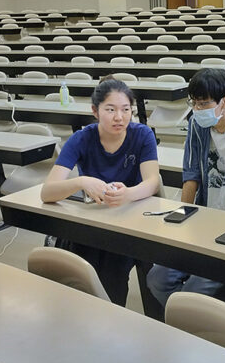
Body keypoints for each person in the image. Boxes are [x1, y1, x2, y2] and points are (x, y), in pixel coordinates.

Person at [147, 68, 225, 307]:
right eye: (194, 103)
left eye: (203, 103)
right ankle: (189, 318)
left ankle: (199, 318)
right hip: (205, 217)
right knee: (157, 279)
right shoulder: (196, 123)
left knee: (194, 290)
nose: (197, 109)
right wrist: (182, 216)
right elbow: (191, 175)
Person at [40, 76, 160, 306]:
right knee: (77, 272)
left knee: (111, 276)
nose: (119, 117)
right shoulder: (81, 138)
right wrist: (80, 181)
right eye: (110, 109)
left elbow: (153, 182)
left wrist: (129, 194)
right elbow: (48, 192)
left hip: (130, 220)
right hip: (93, 220)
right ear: (95, 111)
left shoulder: (142, 135)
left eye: (126, 109)